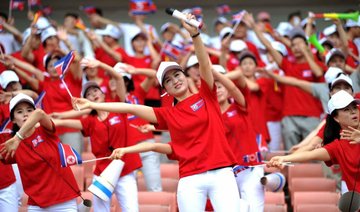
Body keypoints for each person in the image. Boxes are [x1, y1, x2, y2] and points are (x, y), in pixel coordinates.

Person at [74, 14, 242, 212]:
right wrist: (93, 105)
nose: (175, 80)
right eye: (168, 80)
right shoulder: (167, 114)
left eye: (177, 74)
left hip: (222, 171)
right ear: (165, 90)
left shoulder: (206, 96)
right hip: (190, 178)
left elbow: (205, 64)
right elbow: (130, 107)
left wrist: (195, 35)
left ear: (186, 77)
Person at [54, 59, 142, 212]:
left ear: (103, 92)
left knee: (132, 209)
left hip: (125, 169)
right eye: (88, 94)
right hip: (102, 171)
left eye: (95, 90)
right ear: (86, 101)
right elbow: (65, 123)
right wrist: (55, 118)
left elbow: (119, 78)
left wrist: (100, 65)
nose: (93, 94)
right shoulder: (89, 121)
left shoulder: (117, 105)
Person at [267, 90, 360, 194]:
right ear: (336, 118)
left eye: (355, 107)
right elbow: (310, 154)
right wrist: (283, 158)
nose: (353, 111)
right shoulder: (337, 146)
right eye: (347, 109)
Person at [0, 93, 80, 211]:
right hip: (37, 205)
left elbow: (40, 113)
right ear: (12, 119)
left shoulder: (45, 130)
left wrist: (17, 138)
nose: (25, 114)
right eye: (19, 111)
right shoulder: (10, 144)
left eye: (29, 110)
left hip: (64, 201)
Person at [213, 65, 265, 211]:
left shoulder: (239, 105)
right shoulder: (210, 116)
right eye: (214, 88)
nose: (218, 90)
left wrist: (214, 75)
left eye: (221, 86)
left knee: (254, 209)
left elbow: (239, 77)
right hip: (227, 173)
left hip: (251, 169)